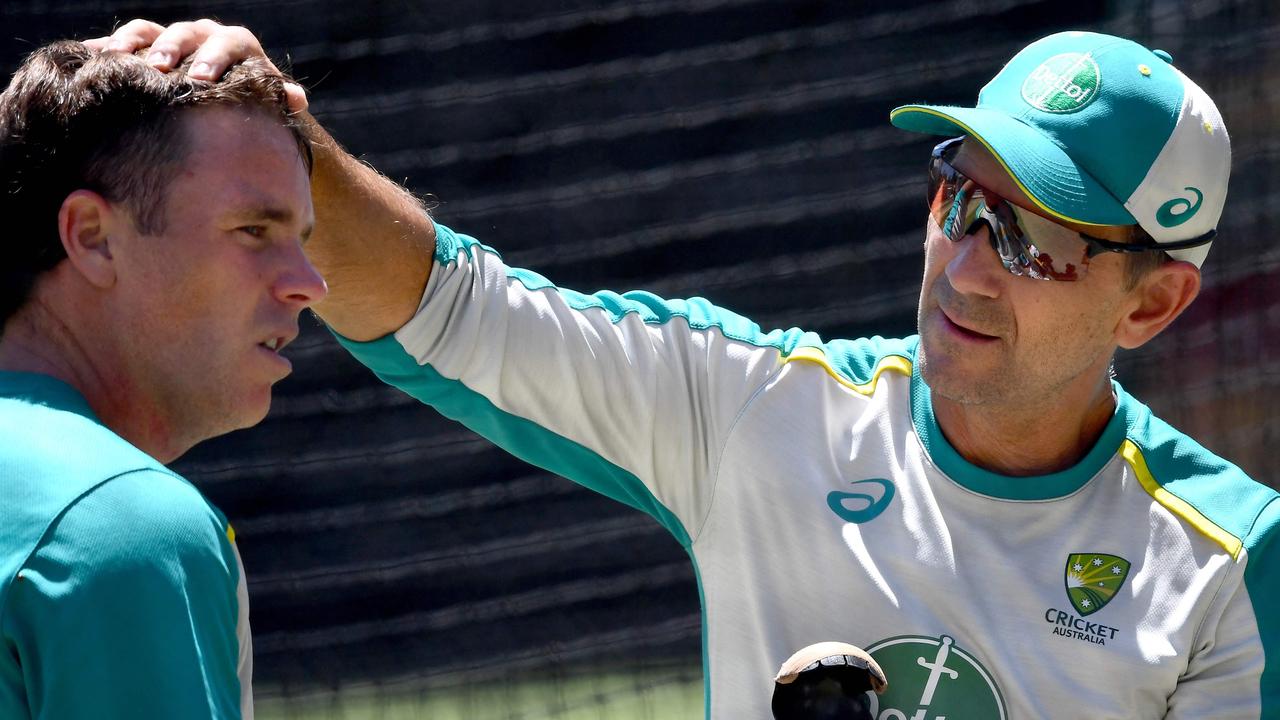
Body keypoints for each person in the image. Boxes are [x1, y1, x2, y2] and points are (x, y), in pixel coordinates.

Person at [109, 21, 1279, 719]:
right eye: (958, 198)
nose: (966, 270)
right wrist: (279, 131)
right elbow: (450, 305)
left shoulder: (1234, 562)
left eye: (1035, 242)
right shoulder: (759, 406)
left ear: (1156, 302)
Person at [0, 25, 326, 719]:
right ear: (93, 237)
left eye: (301, 240)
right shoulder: (120, 526)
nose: (310, 283)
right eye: (252, 231)